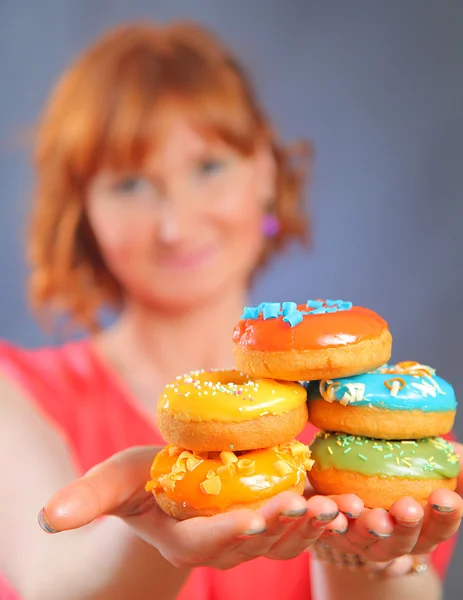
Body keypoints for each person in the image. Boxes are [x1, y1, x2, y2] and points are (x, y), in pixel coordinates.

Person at [0, 21, 462, 600]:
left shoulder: (362, 423)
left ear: (266, 170)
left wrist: (357, 557)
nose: (175, 225)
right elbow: (48, 579)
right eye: (129, 184)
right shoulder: (14, 392)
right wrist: (150, 538)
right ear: (83, 213)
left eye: (208, 167)